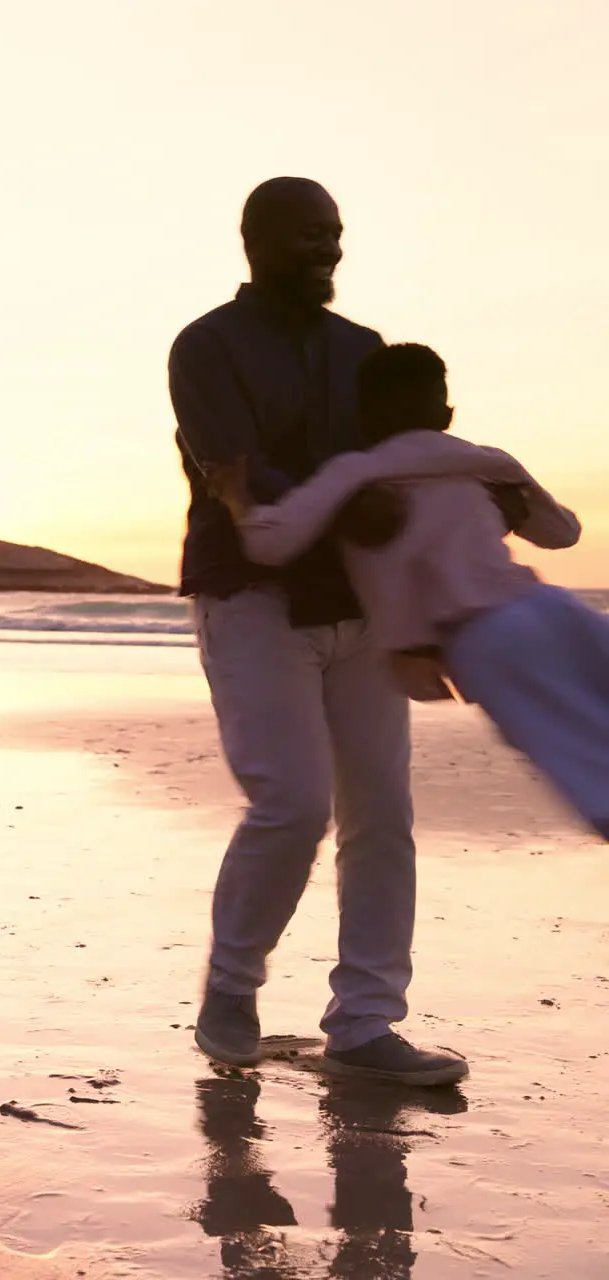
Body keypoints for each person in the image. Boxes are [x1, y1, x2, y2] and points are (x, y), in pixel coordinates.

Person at [169, 178, 519, 1085]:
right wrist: (350, 510)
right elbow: (232, 470)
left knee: (382, 814)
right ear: (255, 240)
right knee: (292, 804)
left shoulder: (364, 350)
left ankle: (365, 1022)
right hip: (250, 596)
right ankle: (233, 988)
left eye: (335, 233)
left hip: (366, 608)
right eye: (306, 235)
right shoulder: (205, 346)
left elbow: (406, 459)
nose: (326, 248)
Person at [212, 343, 608, 843]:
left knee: (588, 771)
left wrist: (235, 495)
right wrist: (515, 505)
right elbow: (563, 533)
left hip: (485, 639)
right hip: (553, 610)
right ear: (446, 413)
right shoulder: (488, 463)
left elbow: (271, 544)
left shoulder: (356, 470)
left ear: (363, 415)